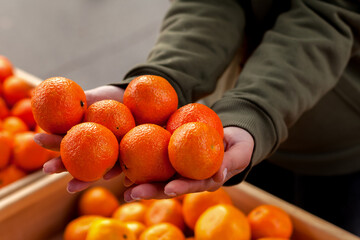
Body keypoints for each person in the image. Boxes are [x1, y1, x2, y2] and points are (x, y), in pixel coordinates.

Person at [34, 0, 360, 235]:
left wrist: (255, 109)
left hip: (335, 142)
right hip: (225, 132)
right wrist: (165, 78)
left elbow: (329, 14)